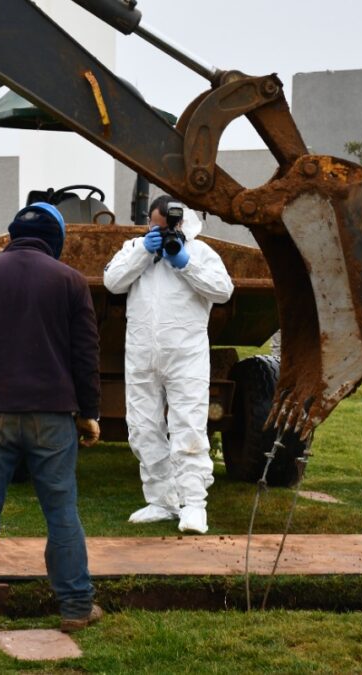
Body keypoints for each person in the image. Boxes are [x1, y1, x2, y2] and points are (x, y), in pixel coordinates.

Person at [0, 202, 103, 632]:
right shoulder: (70, 280)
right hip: (53, 416)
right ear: (57, 241)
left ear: (12, 236)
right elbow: (85, 355)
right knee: (62, 511)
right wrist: (89, 413)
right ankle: (76, 607)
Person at [103, 195, 233, 534]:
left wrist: (184, 262)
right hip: (142, 355)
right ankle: (162, 500)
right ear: (149, 222)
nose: (161, 233)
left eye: (167, 227)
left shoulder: (201, 252)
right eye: (155, 227)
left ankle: (193, 505)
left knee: (188, 428)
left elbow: (223, 290)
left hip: (185, 356)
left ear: (179, 223)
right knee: (143, 427)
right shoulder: (136, 248)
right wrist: (144, 252)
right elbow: (112, 281)